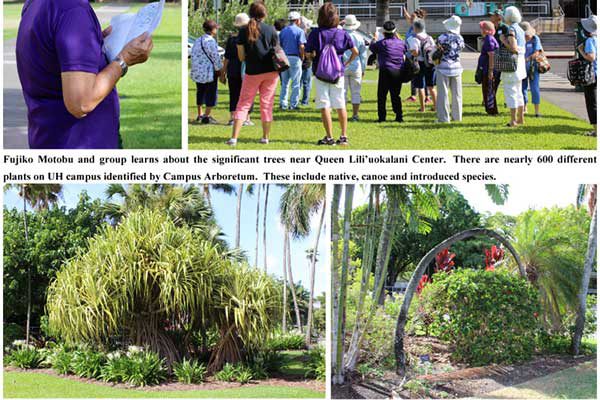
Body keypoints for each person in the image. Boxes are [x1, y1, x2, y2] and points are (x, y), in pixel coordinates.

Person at [15, 0, 153, 149]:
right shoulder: (73, 9)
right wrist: (124, 60)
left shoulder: (37, 3)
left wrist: (93, 45)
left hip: (47, 139)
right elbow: (81, 103)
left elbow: (49, 57)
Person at [227, 1, 279, 146]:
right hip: (271, 72)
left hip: (252, 72)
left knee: (243, 103)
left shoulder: (244, 31)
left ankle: (234, 138)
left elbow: (241, 57)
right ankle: (265, 137)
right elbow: (277, 51)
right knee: (267, 104)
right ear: (264, 14)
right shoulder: (271, 30)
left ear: (250, 14)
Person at [306, 2, 358, 146]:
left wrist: (312, 57)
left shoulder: (315, 33)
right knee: (340, 103)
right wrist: (346, 64)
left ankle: (329, 137)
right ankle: (343, 136)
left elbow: (308, 52)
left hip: (320, 72)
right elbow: (355, 52)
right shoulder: (342, 33)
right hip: (337, 73)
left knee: (324, 104)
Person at [370, 21, 407, 123]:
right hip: (398, 70)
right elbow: (405, 49)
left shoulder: (381, 43)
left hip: (385, 70)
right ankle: (399, 116)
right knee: (396, 95)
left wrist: (374, 38)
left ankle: (382, 117)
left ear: (384, 32)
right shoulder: (401, 43)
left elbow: (372, 47)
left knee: (382, 95)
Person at [222, 13, 253, 126]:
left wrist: (223, 72)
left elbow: (227, 57)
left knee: (233, 94)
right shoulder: (250, 37)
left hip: (233, 70)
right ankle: (247, 118)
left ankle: (232, 117)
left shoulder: (231, 39)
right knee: (247, 94)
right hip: (246, 70)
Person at [499, 6, 527, 127]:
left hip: (512, 64)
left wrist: (504, 41)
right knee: (519, 92)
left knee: (510, 91)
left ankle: (513, 120)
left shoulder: (511, 30)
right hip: (521, 64)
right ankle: (520, 118)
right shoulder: (520, 29)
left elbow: (514, 48)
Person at [191, 20, 223, 125]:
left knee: (200, 92)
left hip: (198, 71)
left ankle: (200, 113)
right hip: (209, 71)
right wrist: (220, 69)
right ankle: (207, 116)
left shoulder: (198, 40)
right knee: (211, 93)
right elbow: (215, 57)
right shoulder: (211, 41)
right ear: (213, 29)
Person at [435, 15, 465, 123]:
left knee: (443, 94)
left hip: (443, 67)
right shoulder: (460, 38)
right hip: (457, 67)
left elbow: (436, 50)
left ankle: (443, 118)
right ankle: (457, 117)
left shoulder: (441, 37)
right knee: (457, 94)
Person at [406, 19, 437, 112]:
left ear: (414, 28)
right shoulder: (429, 37)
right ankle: (436, 106)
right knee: (431, 86)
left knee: (420, 87)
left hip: (419, 64)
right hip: (430, 64)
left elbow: (415, 52)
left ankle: (422, 108)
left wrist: (410, 51)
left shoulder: (413, 38)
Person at [279, 11, 307, 110]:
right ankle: (293, 104)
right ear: (297, 20)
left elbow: (279, 46)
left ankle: (283, 103)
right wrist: (302, 57)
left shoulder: (283, 31)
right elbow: (301, 46)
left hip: (284, 57)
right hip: (295, 57)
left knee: (284, 83)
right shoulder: (300, 31)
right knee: (296, 83)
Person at [342, 15, 367, 121]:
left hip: (343, 66)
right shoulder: (359, 37)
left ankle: (342, 114)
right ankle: (355, 115)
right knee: (356, 92)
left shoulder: (340, 36)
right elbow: (363, 56)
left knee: (342, 92)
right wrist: (363, 69)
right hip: (356, 66)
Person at [403, 8, 430, 104]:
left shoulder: (419, 29)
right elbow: (408, 18)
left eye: (413, 16)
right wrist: (405, 11)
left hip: (417, 56)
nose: (410, 18)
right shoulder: (413, 26)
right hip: (411, 56)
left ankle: (427, 97)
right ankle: (414, 95)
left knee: (422, 77)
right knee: (413, 76)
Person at [578, 15, 597, 136]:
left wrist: (581, 51)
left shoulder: (590, 41)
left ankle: (596, 130)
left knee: (592, 102)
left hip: (593, 75)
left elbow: (591, 57)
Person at [521, 21, 542, 117]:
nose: (527, 36)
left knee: (534, 88)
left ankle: (537, 111)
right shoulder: (519, 39)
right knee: (522, 88)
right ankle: (524, 107)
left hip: (533, 67)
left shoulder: (535, 39)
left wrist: (527, 58)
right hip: (521, 67)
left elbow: (537, 52)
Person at [477, 21, 499, 115]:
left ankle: (491, 110)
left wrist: (490, 70)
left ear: (486, 30)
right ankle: (490, 109)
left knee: (488, 89)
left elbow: (491, 55)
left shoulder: (489, 39)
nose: (481, 30)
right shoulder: (490, 38)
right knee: (489, 89)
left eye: (482, 28)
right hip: (487, 68)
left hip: (488, 69)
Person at [489, 9, 508, 96]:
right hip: (494, 56)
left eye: (492, 15)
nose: (490, 17)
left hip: (503, 57)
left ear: (498, 17)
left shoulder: (504, 27)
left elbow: (509, 41)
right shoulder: (492, 27)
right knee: (494, 78)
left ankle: (508, 100)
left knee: (505, 80)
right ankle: (491, 97)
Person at [300, 17, 314, 106]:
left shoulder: (298, 33)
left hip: (299, 60)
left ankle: (296, 99)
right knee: (307, 83)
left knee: (298, 82)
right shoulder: (308, 36)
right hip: (306, 61)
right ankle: (305, 101)